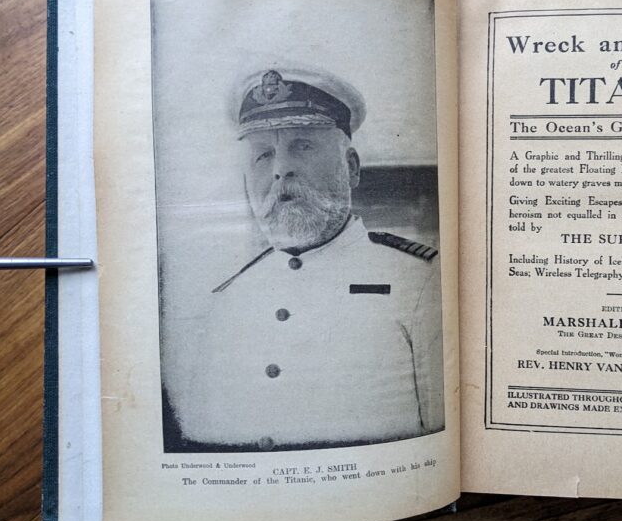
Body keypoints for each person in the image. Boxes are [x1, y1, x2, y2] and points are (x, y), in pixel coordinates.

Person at [163, 66, 444, 451]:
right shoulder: (229, 298)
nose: (281, 170)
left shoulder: (421, 282)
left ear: (351, 167)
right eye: (263, 155)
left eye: (303, 146)